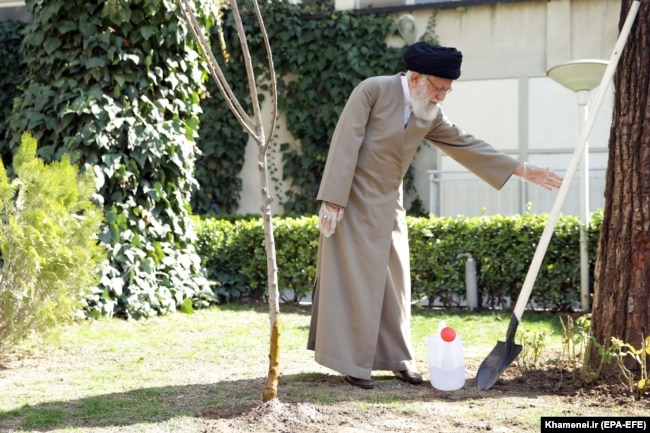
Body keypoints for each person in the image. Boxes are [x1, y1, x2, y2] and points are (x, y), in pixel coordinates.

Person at [306, 42, 562, 390]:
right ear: (415, 78)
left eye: (447, 90)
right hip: (350, 201)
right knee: (355, 281)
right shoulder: (372, 89)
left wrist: (521, 169)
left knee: (395, 282)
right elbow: (345, 140)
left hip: (389, 204)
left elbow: (464, 143)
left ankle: (398, 359)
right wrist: (333, 199)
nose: (442, 96)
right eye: (439, 88)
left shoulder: (429, 113)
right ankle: (353, 363)